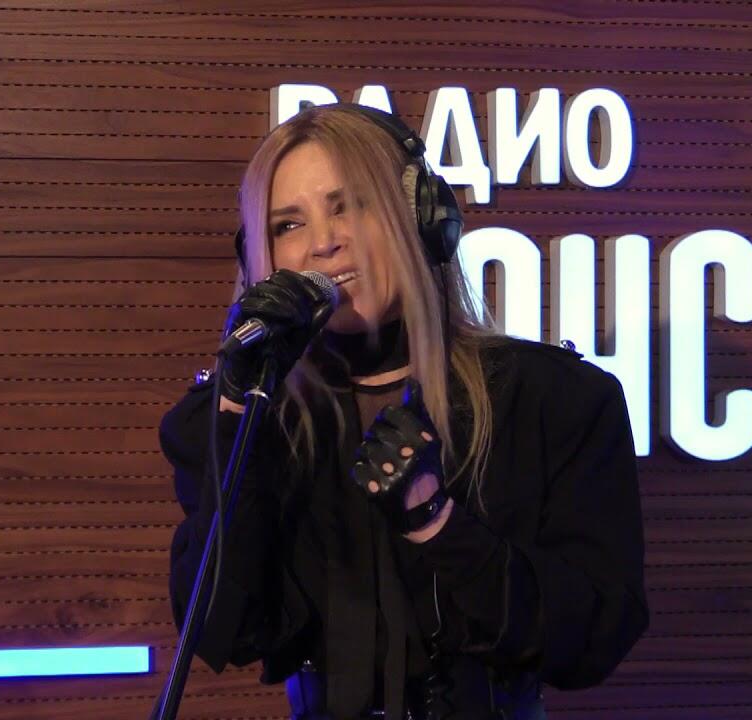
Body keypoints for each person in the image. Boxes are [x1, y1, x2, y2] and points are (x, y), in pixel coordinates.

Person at [160, 104, 648, 720]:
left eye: (350, 205)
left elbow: (595, 638)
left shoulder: (554, 398)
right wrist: (237, 411)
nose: (323, 242)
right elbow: (220, 634)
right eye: (288, 224)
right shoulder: (239, 420)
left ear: (422, 217)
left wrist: (438, 523)